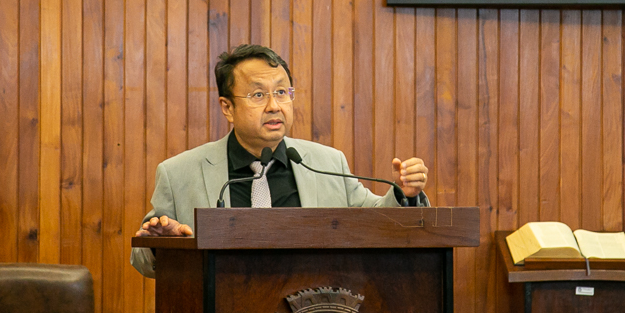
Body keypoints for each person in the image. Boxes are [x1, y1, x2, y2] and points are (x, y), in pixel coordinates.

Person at [130, 45, 430, 274]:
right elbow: (142, 261)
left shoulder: (327, 163)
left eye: (282, 92)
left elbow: (377, 220)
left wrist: (404, 195)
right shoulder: (179, 173)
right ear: (227, 107)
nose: (274, 106)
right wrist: (162, 245)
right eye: (258, 95)